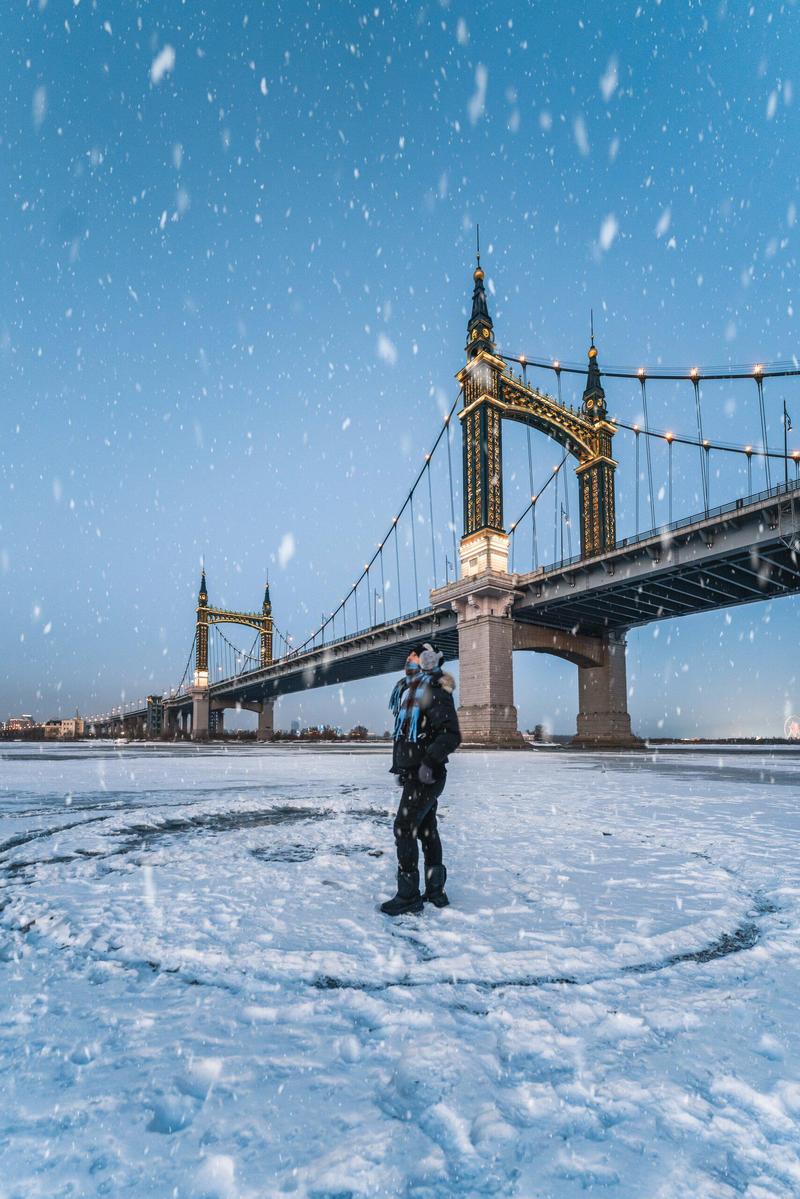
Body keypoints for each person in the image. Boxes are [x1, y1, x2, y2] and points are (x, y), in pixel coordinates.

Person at [380, 642, 461, 916]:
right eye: (408, 656)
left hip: (427, 775)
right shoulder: (409, 690)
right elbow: (406, 737)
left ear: (427, 659)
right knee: (426, 830)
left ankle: (408, 895)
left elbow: (450, 734)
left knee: (404, 828)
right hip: (415, 773)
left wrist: (428, 762)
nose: (408, 660)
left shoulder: (434, 689)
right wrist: (402, 768)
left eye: (413, 656)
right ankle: (436, 891)